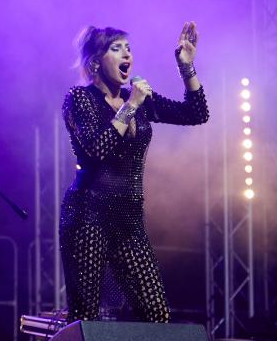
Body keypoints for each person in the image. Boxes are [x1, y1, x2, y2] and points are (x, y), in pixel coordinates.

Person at [59, 22, 209, 323]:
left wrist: (186, 67)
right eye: (116, 49)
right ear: (95, 61)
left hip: (129, 219)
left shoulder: (139, 101)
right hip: (88, 215)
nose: (127, 54)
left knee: (156, 313)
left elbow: (196, 113)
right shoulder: (80, 98)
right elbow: (98, 149)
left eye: (128, 48)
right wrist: (130, 105)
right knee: (86, 317)